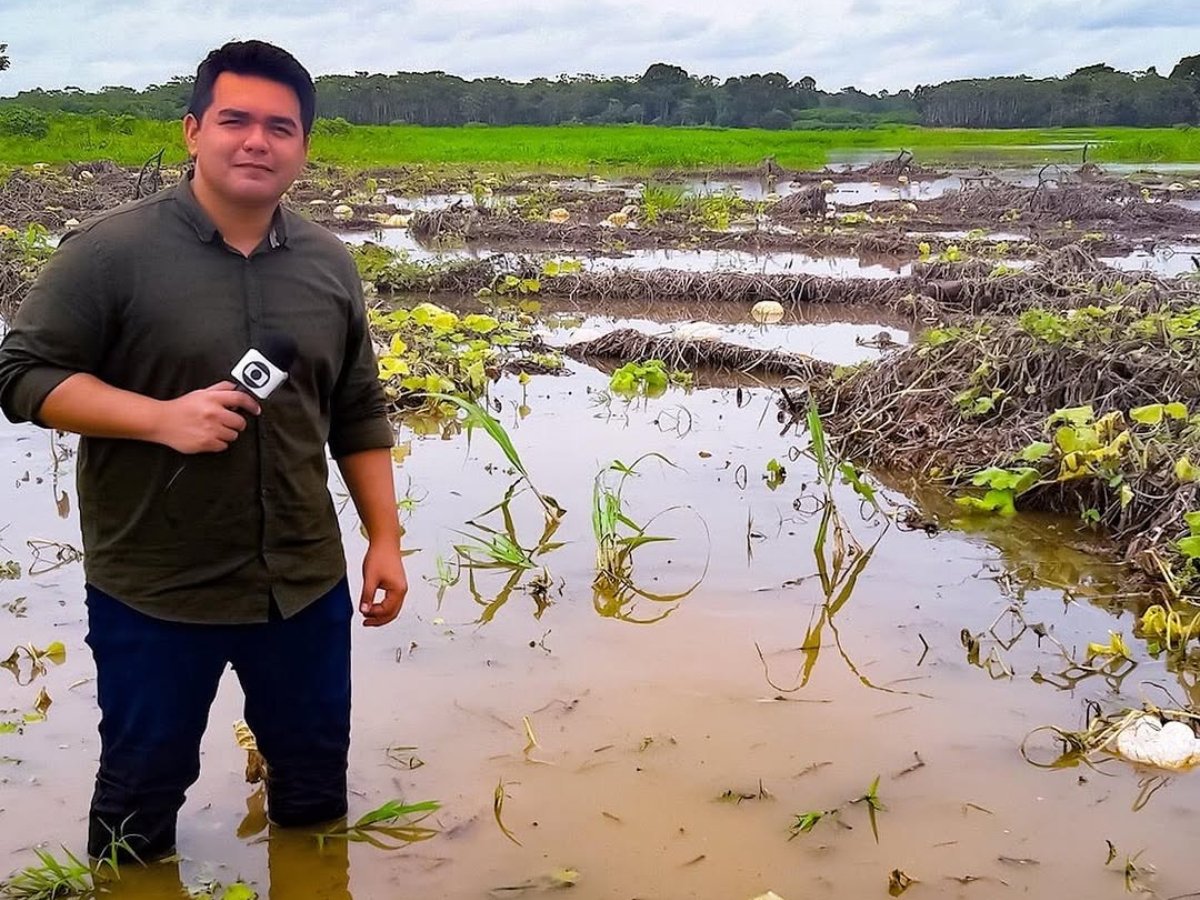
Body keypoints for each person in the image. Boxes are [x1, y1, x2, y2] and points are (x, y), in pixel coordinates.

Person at [0, 40, 407, 862]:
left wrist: (386, 540)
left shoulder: (331, 264)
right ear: (192, 131)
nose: (256, 141)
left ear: (304, 147)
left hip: (302, 586)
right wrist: (160, 417)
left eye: (280, 127)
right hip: (155, 589)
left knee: (314, 787)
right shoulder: (110, 253)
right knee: (139, 797)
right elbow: (21, 375)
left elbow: (357, 410)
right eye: (235, 120)